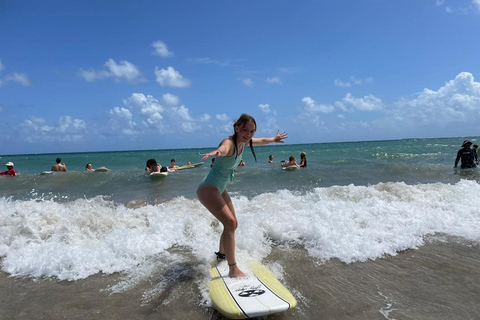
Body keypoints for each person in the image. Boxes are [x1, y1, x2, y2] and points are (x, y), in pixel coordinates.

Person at [197, 113, 288, 278]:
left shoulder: (245, 143)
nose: (249, 134)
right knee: (230, 222)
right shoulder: (229, 143)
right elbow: (223, 149)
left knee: (233, 224)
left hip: (220, 187)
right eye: (245, 130)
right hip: (208, 188)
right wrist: (216, 152)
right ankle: (233, 269)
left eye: (252, 131)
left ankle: (221, 256)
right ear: (236, 128)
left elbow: (259, 141)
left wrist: (273, 139)